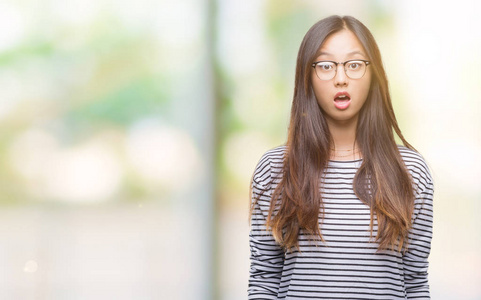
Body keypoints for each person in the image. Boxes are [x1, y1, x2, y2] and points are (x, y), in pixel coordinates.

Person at [248, 15, 434, 299]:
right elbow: (264, 279)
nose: (341, 78)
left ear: (374, 75)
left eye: (355, 64)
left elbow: (416, 281)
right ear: (307, 76)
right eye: (325, 65)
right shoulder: (275, 169)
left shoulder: (410, 170)